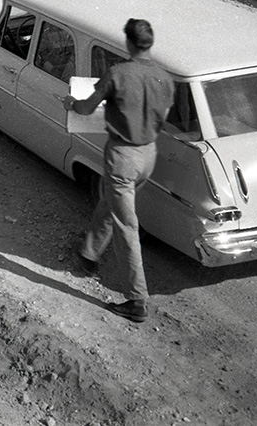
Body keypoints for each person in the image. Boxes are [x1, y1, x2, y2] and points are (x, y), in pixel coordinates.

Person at [62, 17, 173, 323]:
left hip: (123, 156)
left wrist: (71, 102)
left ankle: (137, 300)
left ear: (127, 42)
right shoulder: (165, 78)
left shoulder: (118, 73)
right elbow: (162, 116)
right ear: (149, 44)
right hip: (148, 155)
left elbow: (86, 108)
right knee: (109, 201)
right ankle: (88, 254)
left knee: (127, 226)